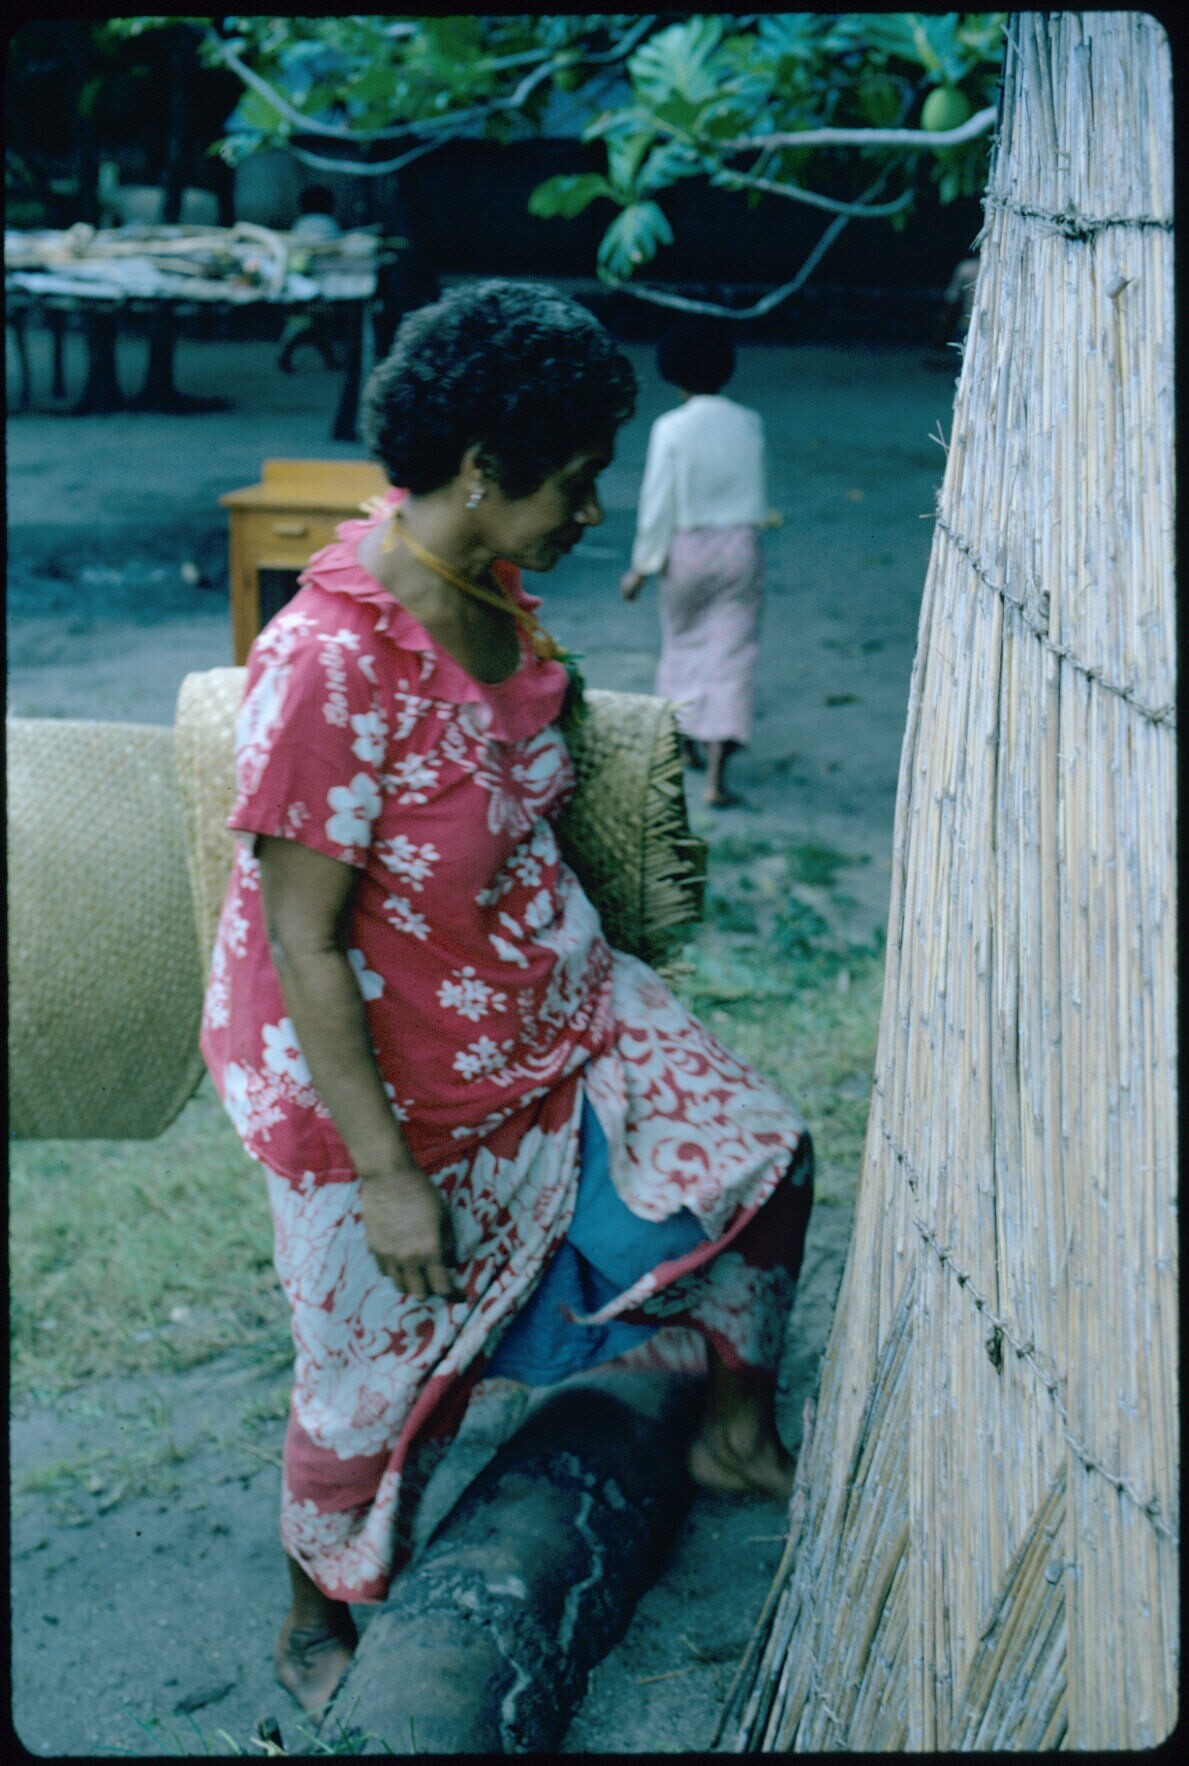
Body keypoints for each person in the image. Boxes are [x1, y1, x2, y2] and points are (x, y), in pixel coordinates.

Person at [200, 280, 813, 1718]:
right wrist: (386, 1173)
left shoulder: (484, 582)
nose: (593, 510)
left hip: (555, 1006)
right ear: (482, 469)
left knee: (758, 1156)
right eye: (577, 479)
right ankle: (313, 1612)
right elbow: (303, 940)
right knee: (367, 1380)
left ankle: (725, 1430)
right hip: (383, 1087)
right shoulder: (328, 664)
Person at [620, 320, 769, 808]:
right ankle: (717, 778)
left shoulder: (671, 428)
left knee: (683, 645)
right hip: (740, 546)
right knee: (731, 653)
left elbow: (657, 503)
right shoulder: (748, 422)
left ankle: (684, 744)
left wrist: (642, 566)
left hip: (686, 549)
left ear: (671, 372)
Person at [277, 185, 342, 373]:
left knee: (311, 322)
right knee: (313, 322)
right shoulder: (328, 223)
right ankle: (289, 355)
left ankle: (325, 359)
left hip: (298, 282)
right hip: (320, 284)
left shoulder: (301, 223)